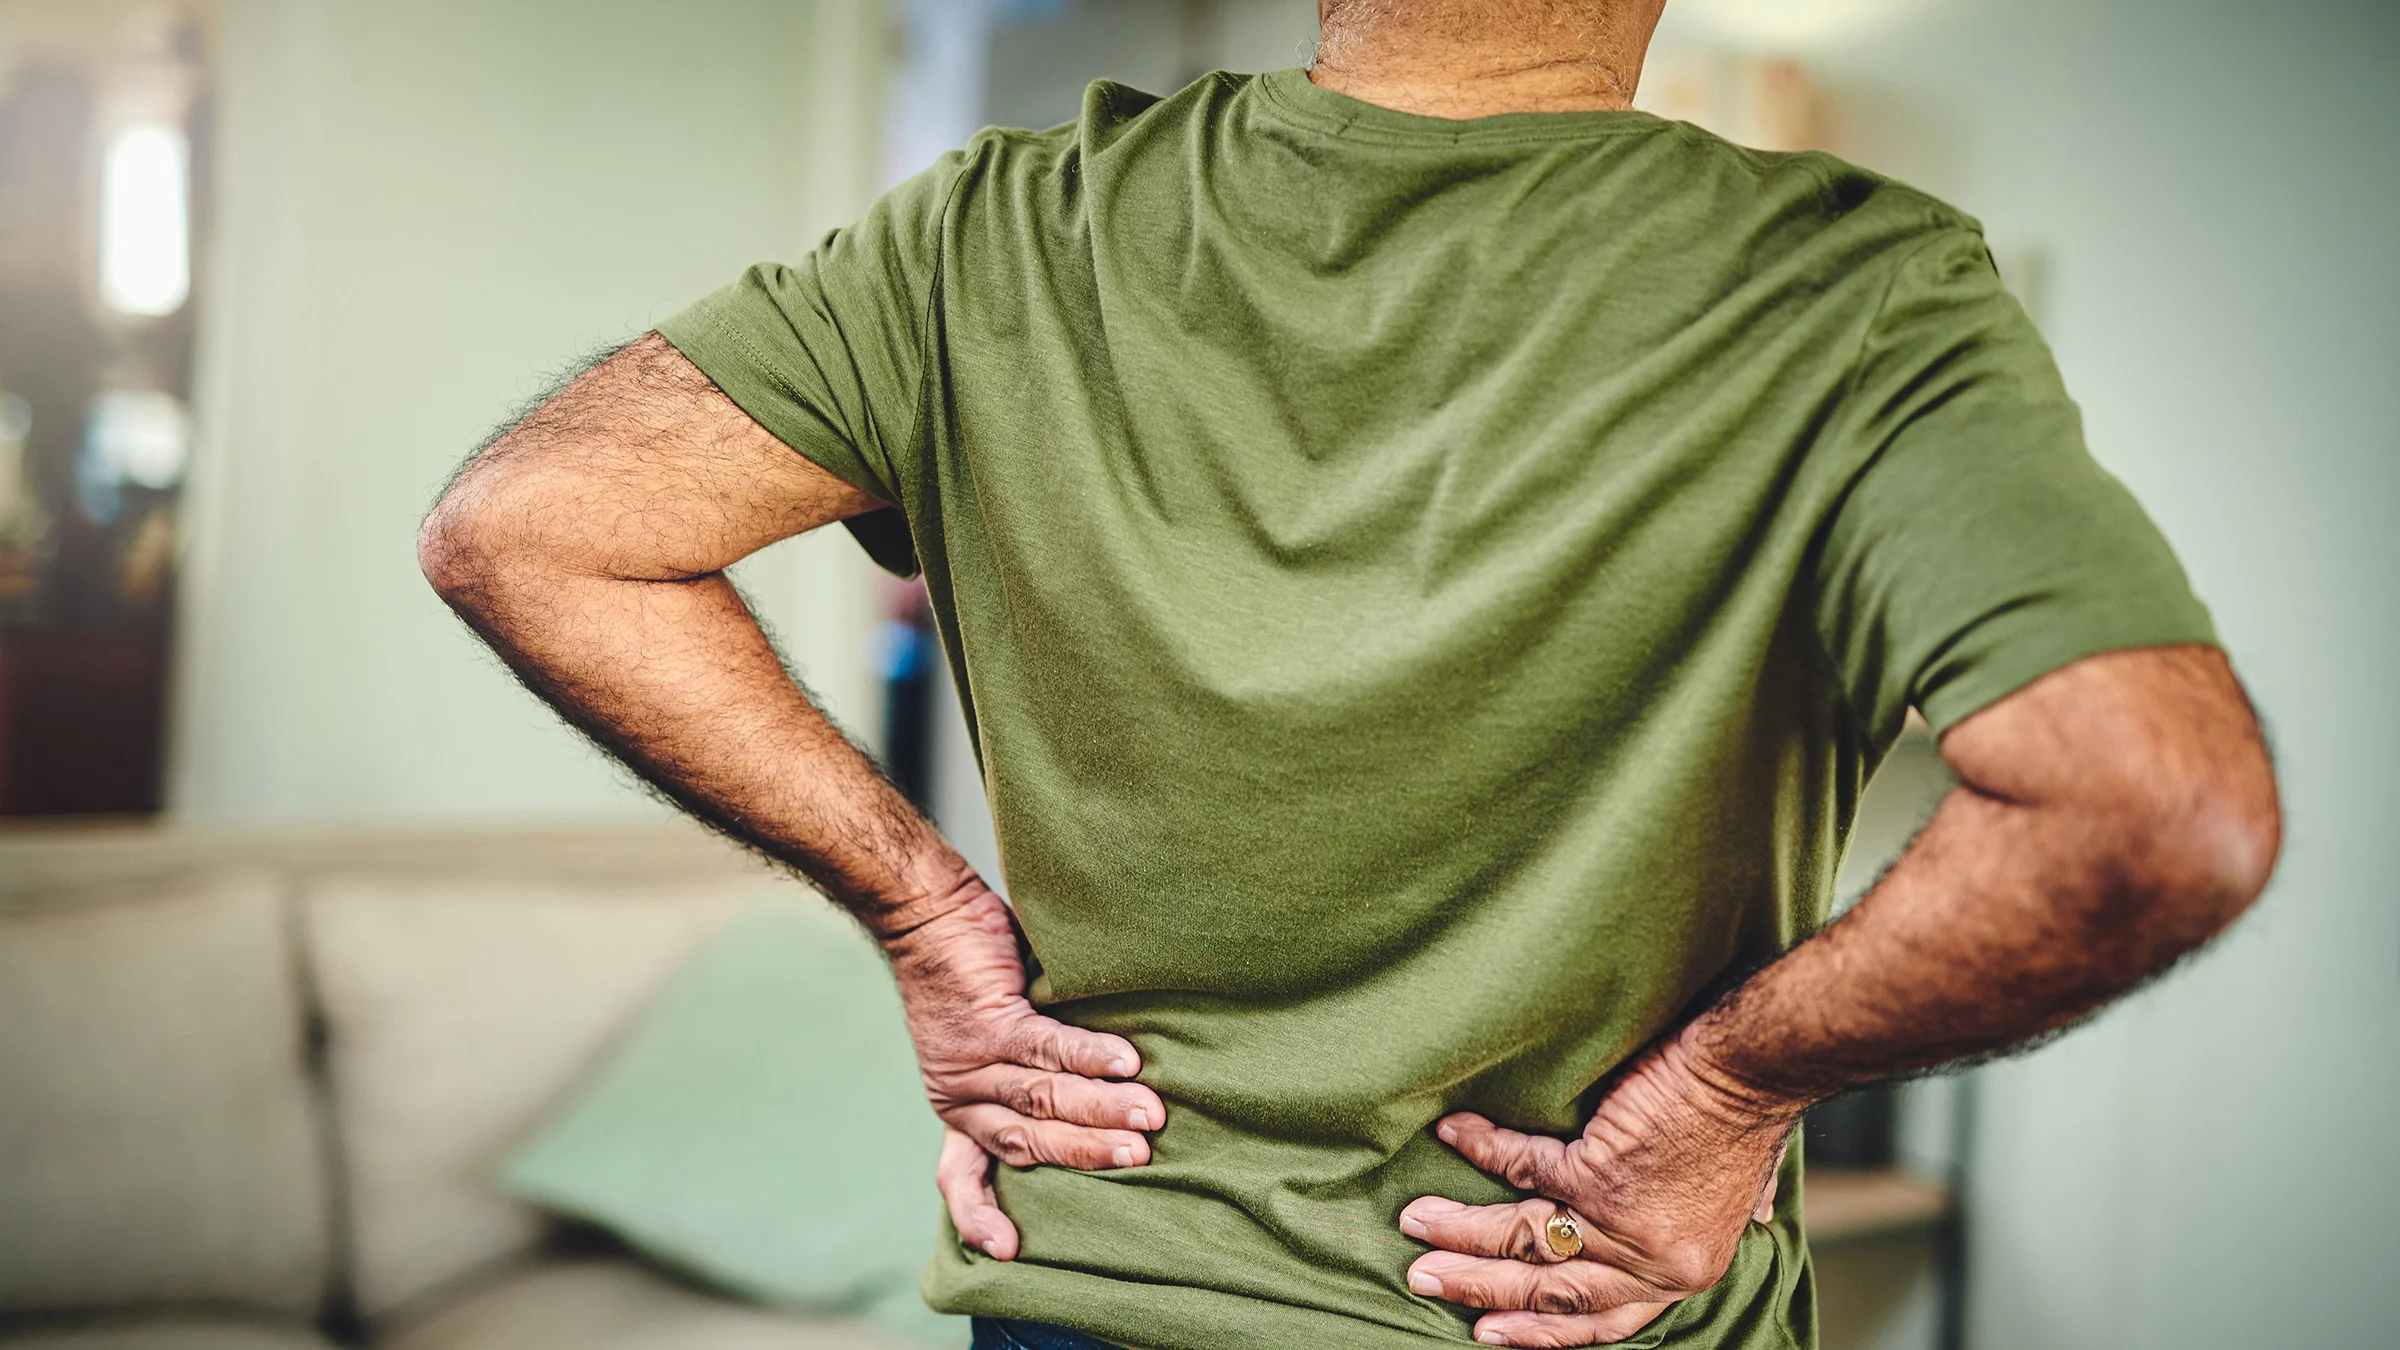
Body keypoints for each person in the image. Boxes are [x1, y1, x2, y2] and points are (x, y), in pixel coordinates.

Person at [417, 1, 2282, 1346]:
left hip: (1089, 1299)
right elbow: (2155, 806)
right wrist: (1724, 1097)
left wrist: (920, 911)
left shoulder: (998, 233)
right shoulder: (1848, 297)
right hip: (1540, 1303)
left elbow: (532, 520)